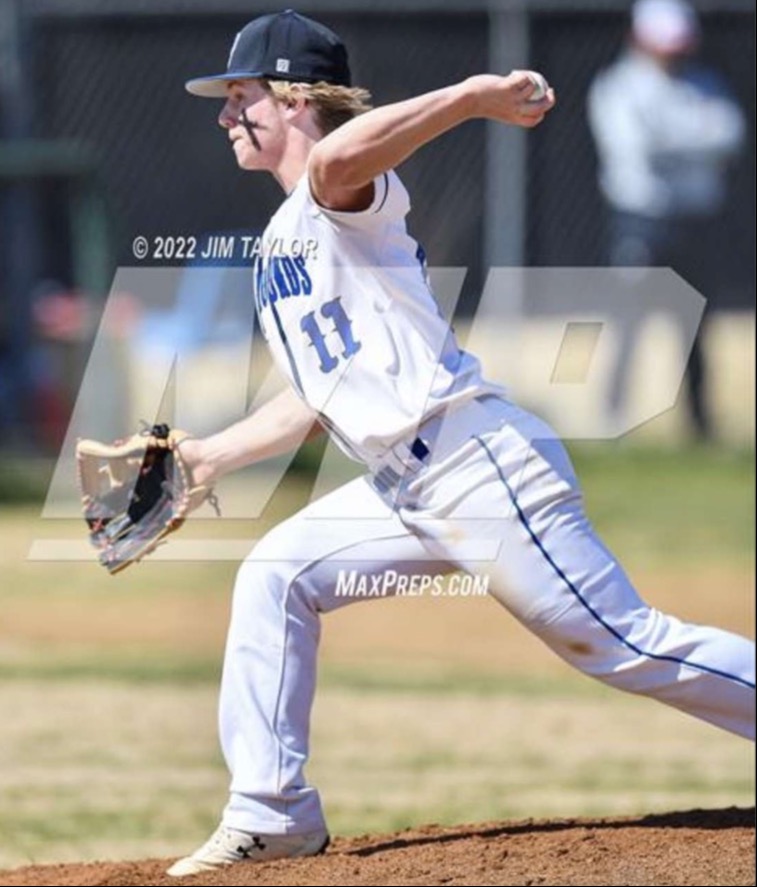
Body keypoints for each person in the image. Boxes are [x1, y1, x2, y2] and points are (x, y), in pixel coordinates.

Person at [167, 9, 755, 878]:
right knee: (274, 575)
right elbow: (318, 397)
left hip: (477, 468)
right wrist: (210, 457)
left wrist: (475, 96)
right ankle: (272, 810)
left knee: (621, 643)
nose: (225, 114)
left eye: (241, 95)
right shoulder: (286, 237)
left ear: (293, 99)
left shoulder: (342, 191)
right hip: (404, 489)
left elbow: (336, 158)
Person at [587, 0, 745, 440]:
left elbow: (730, 135)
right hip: (642, 222)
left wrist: (672, 141)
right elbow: (637, 150)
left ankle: (700, 424)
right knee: (628, 320)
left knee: (695, 323)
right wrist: (695, 143)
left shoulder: (704, 83)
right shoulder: (619, 86)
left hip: (695, 222)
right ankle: (613, 419)